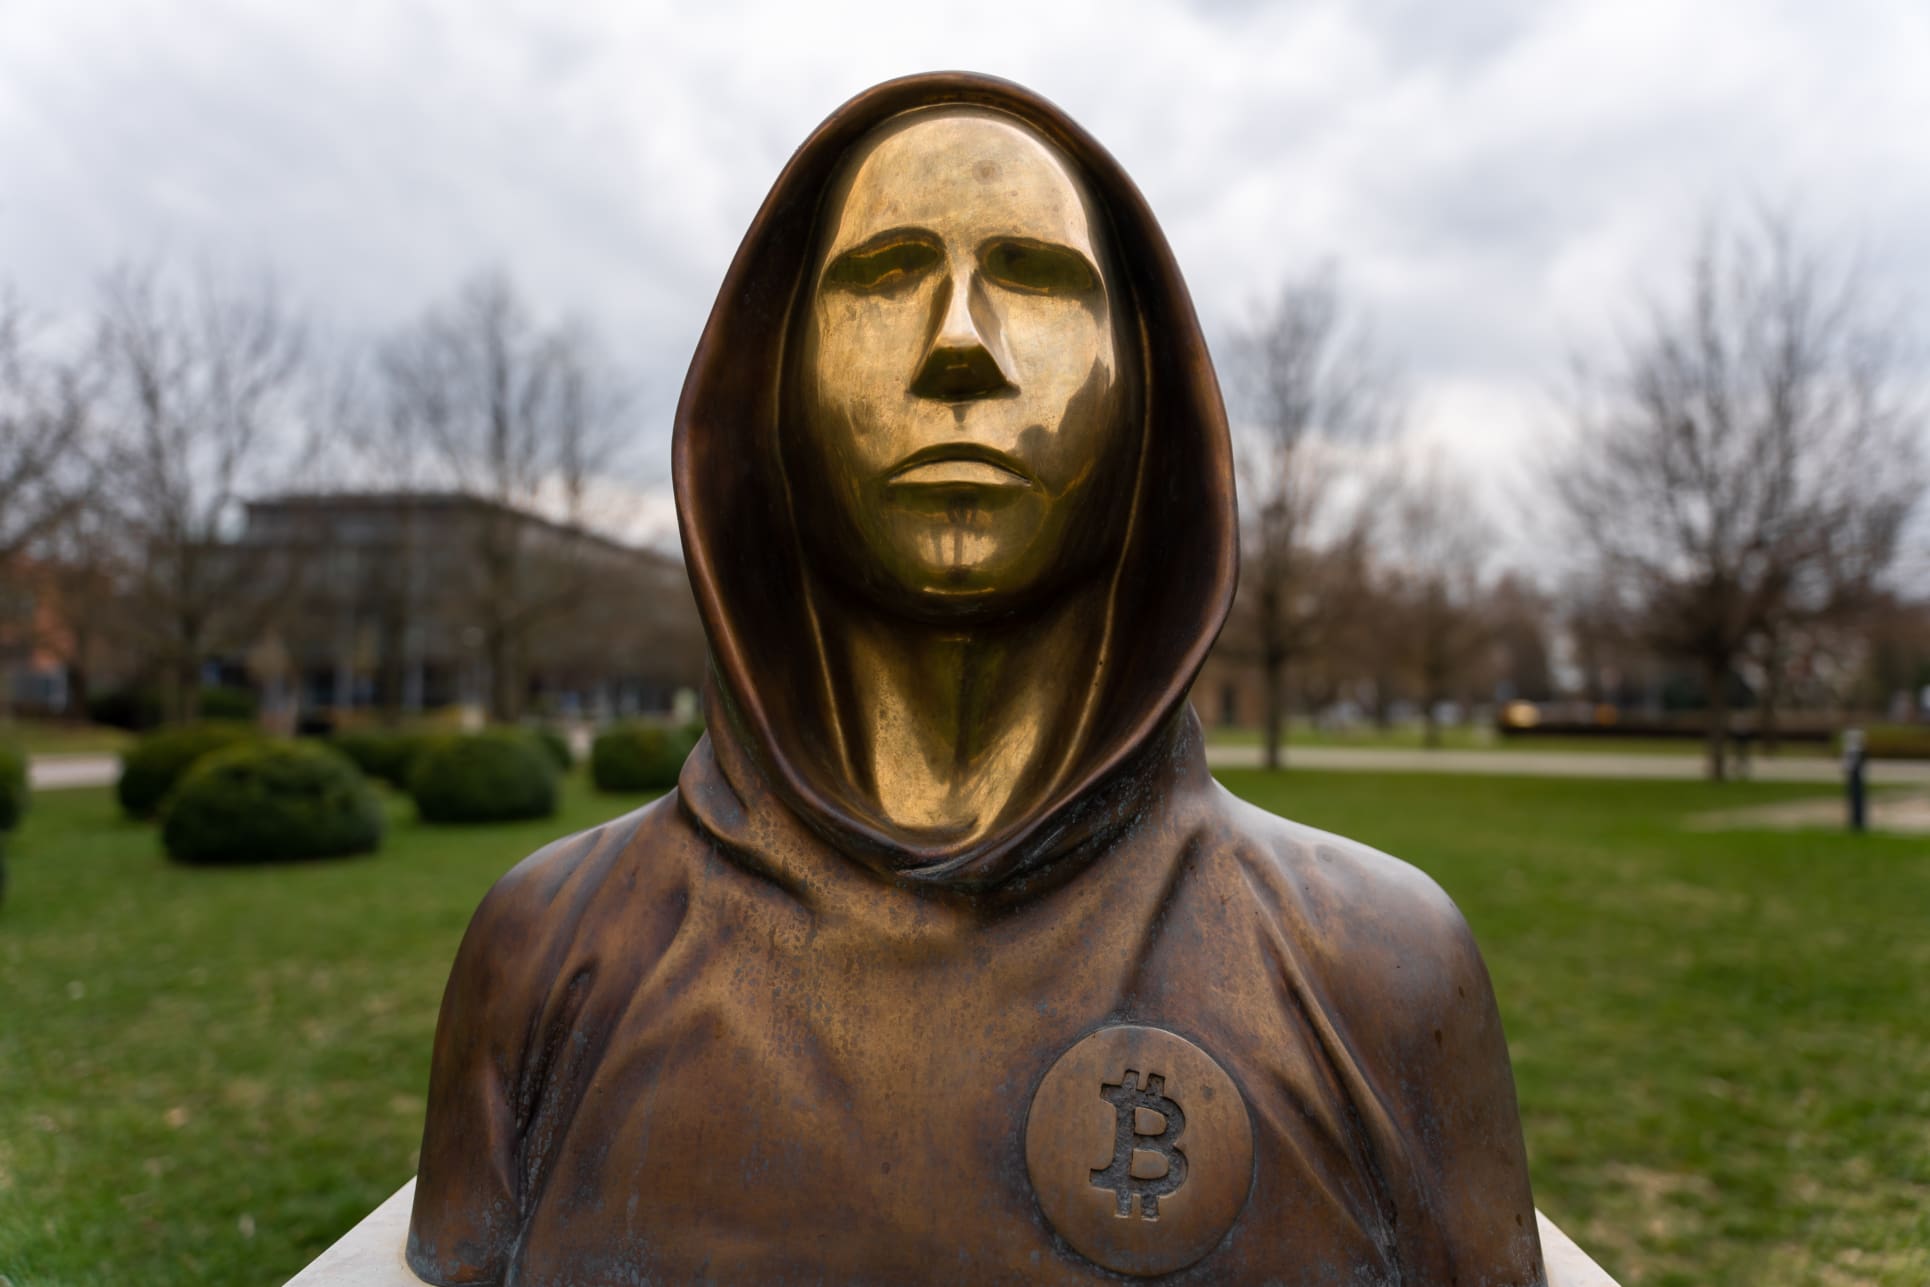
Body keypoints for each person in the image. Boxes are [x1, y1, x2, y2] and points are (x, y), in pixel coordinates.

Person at [406, 72, 1546, 1286]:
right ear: (771, 393)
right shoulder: (552, 953)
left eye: (1039, 282)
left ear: (1148, 402)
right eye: (884, 276)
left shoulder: (1375, 971)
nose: (959, 347)